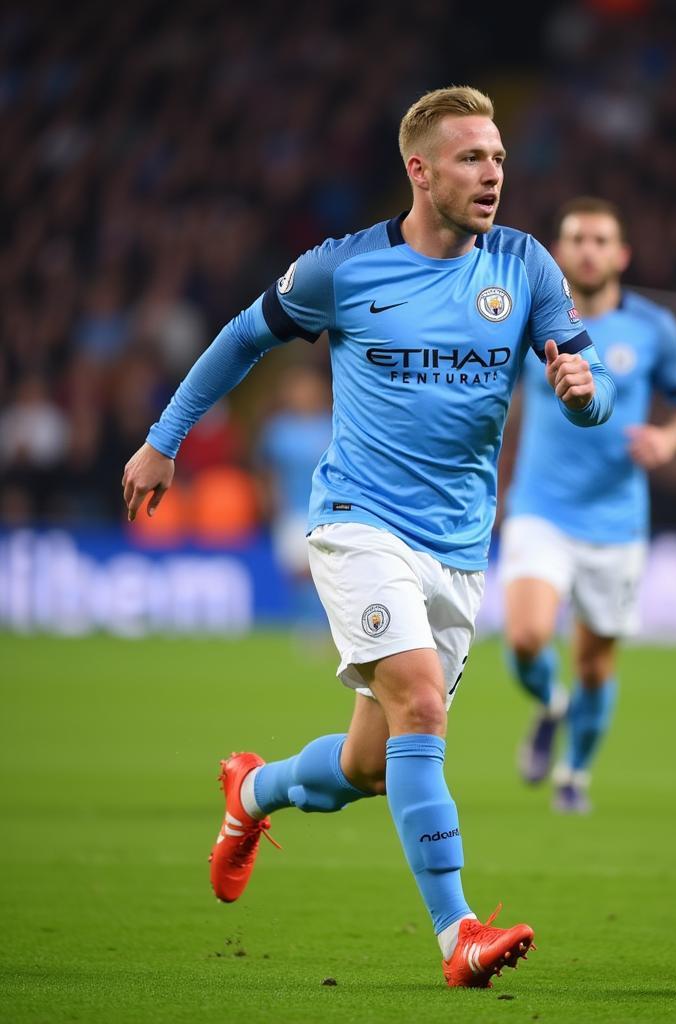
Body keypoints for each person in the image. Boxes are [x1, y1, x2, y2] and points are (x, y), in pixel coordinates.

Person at [120, 86, 614, 989]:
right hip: (357, 524)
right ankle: (457, 932)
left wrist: (587, 394)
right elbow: (240, 340)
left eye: (499, 156)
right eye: (471, 157)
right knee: (422, 705)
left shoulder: (526, 266)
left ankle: (252, 789)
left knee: (369, 766)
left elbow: (592, 386)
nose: (493, 172)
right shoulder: (341, 271)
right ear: (419, 171)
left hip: (460, 549)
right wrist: (165, 438)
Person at [499, 197, 676, 813]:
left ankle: (575, 776)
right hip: (540, 508)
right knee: (527, 639)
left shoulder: (653, 327)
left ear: (620, 255)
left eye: (600, 240)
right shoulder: (530, 322)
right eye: (576, 239)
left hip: (616, 522)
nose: (588, 250)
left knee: (595, 665)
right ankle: (549, 704)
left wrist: (669, 438)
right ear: (560, 253)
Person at [257, 364, 333, 631]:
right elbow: (268, 470)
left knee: (322, 571)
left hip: (327, 511)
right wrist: (270, 500)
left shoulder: (333, 425)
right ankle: (307, 622)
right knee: (298, 573)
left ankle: (323, 625)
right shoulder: (278, 430)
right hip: (292, 511)